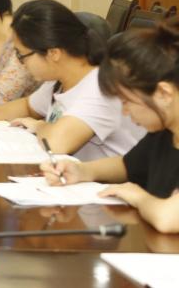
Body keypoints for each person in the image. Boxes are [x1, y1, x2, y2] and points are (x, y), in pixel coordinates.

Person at [0, 0, 144, 159]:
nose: (21, 63)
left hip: (110, 186)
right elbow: (28, 106)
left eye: (22, 55)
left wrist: (40, 126)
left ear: (53, 53)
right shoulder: (60, 79)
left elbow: (56, 143)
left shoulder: (99, 88)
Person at [40, 21, 179, 231]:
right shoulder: (165, 132)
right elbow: (128, 165)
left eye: (127, 101)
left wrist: (138, 197)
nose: (125, 112)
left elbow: (167, 218)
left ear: (164, 94)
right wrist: (82, 171)